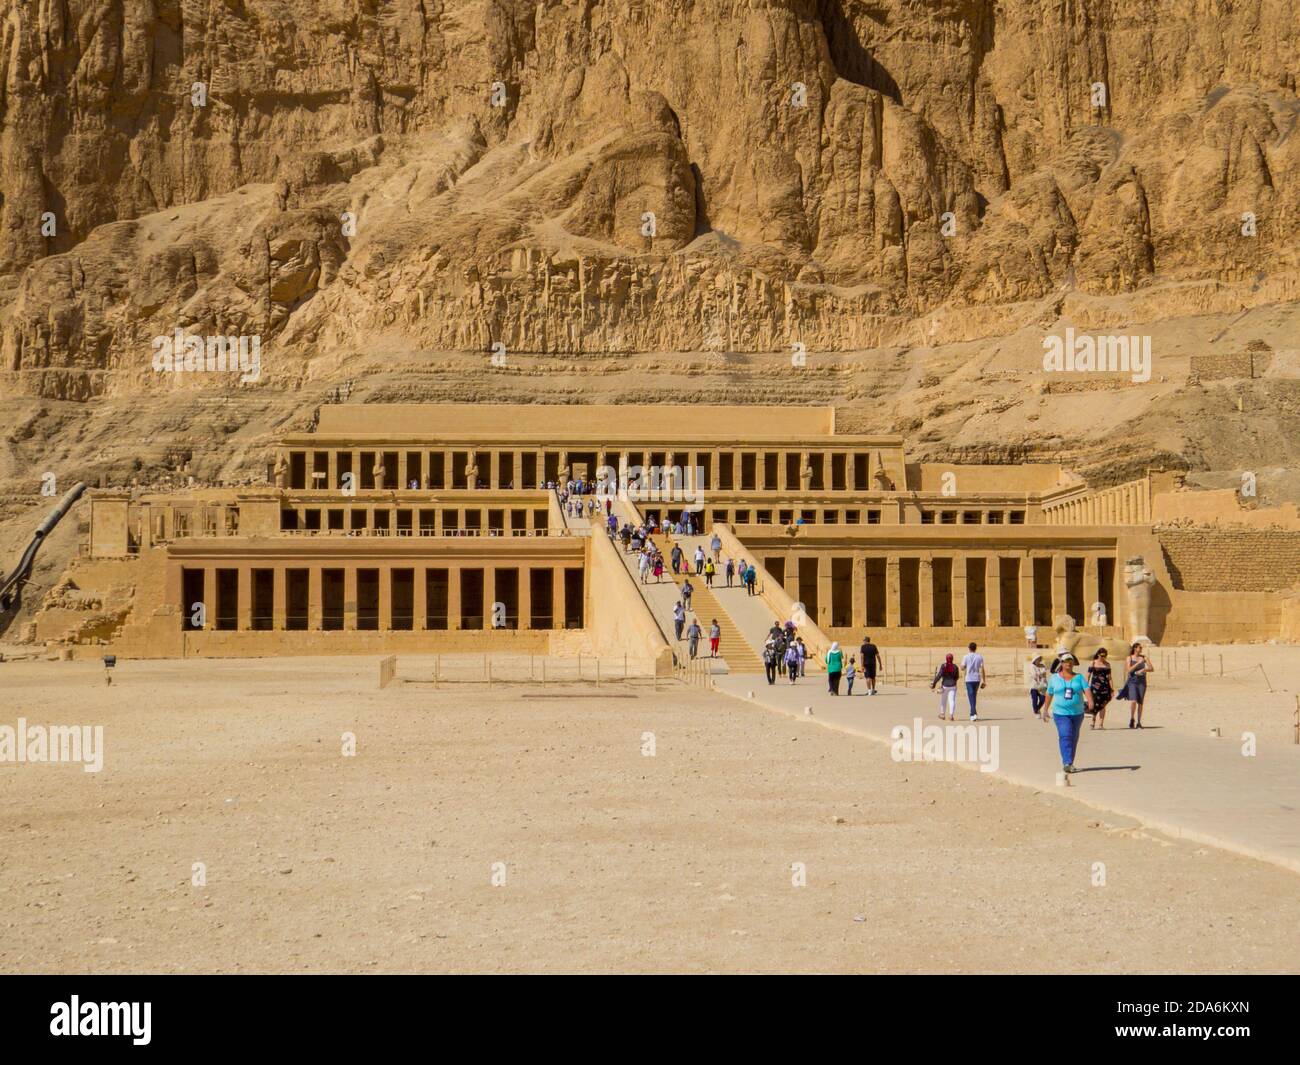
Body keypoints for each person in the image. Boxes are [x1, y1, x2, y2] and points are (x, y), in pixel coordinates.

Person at [1045, 651, 1093, 774]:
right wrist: (1045, 709)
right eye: (1066, 662)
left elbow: (1086, 689)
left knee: (1074, 737)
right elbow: (1049, 693)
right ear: (1061, 663)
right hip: (1060, 713)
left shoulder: (1079, 677)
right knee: (1065, 735)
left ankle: (1070, 762)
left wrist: (1090, 701)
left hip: (1077, 713)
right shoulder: (1054, 678)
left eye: (1071, 662)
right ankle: (1067, 763)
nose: (1069, 664)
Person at [1116, 642, 1155, 728]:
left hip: (1142, 682)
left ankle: (1139, 722)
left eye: (1141, 648)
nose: (1141, 649)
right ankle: (1132, 718)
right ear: (1135, 648)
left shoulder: (1144, 657)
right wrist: (1138, 663)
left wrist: (1144, 669)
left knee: (1140, 702)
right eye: (1139, 647)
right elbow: (1129, 670)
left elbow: (1152, 668)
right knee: (1133, 700)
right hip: (1132, 681)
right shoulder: (1129, 658)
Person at [1087, 647, 1114, 729]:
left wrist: (1112, 689)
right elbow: (1088, 675)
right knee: (1094, 704)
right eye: (1102, 655)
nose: (1103, 657)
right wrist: (1085, 686)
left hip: (1105, 688)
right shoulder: (1093, 663)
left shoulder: (1107, 664)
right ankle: (1092, 722)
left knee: (1103, 705)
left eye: (1105, 656)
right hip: (1095, 687)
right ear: (1098, 654)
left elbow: (1110, 678)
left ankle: (1101, 724)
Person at [960, 641, 986, 721]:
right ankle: (974, 712)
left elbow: (962, 667)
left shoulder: (966, 657)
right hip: (977, 679)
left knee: (971, 696)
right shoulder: (980, 657)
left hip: (969, 679)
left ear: (969, 648)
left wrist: (963, 667)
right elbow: (982, 669)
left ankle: (972, 713)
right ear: (976, 648)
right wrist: (984, 680)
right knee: (973, 696)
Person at [931, 654, 960, 721]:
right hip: (953, 686)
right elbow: (957, 677)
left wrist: (934, 683)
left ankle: (942, 714)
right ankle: (951, 716)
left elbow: (939, 675)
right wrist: (954, 681)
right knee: (952, 700)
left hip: (945, 686)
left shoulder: (943, 666)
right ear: (952, 659)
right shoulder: (955, 667)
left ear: (946, 659)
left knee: (943, 700)